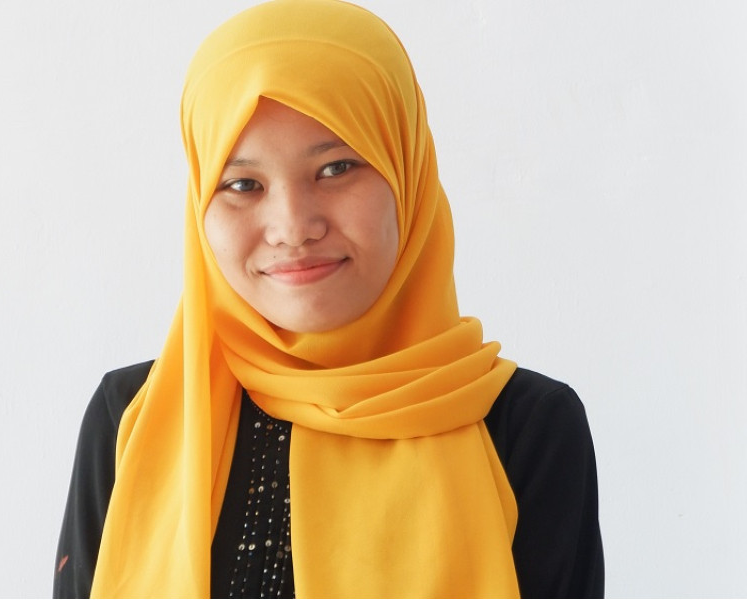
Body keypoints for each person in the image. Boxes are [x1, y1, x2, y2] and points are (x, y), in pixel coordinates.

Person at [54, 0, 604, 597]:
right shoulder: (131, 417)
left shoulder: (526, 429)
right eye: (243, 184)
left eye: (337, 168)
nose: (293, 227)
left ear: (407, 171)